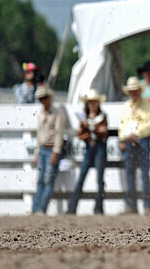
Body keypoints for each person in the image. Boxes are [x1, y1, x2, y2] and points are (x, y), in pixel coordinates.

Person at [66, 89, 108, 215]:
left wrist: (89, 128)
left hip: (98, 147)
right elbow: (82, 135)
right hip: (90, 147)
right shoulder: (89, 118)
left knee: (99, 179)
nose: (92, 104)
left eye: (94, 102)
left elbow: (103, 132)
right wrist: (93, 129)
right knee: (82, 177)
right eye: (90, 102)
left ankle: (98, 208)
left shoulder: (101, 117)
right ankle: (72, 208)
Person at [119, 76, 150, 214]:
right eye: (131, 91)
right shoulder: (126, 107)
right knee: (130, 173)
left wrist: (136, 134)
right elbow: (122, 125)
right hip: (130, 141)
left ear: (139, 91)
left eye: (135, 90)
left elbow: (149, 125)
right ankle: (132, 205)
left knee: (144, 173)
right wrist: (123, 139)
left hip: (142, 140)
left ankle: (146, 205)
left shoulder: (147, 106)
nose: (133, 93)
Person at [32, 85, 66, 214]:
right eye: (41, 98)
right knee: (41, 180)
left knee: (48, 180)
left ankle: (41, 209)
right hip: (42, 149)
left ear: (49, 98)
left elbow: (59, 133)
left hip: (51, 149)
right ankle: (36, 209)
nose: (43, 100)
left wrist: (56, 151)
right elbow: (39, 135)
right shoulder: (41, 113)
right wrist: (37, 152)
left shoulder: (57, 113)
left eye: (44, 98)